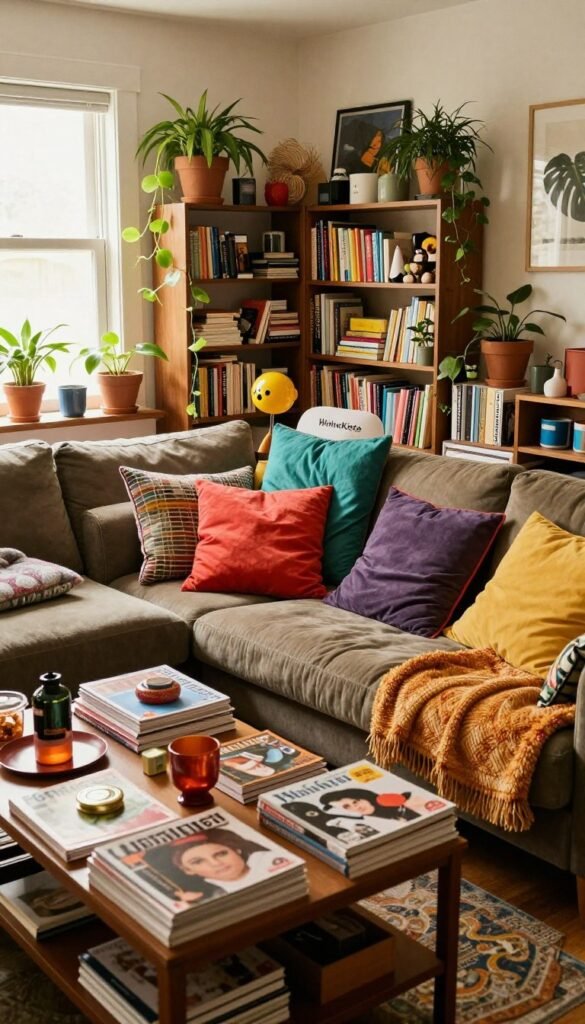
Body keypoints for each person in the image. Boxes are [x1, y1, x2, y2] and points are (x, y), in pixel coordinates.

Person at [142, 827, 292, 902]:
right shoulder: (209, 895)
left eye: (221, 853)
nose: (216, 863)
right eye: (198, 861)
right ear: (188, 870)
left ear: (236, 850)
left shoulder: (268, 860)